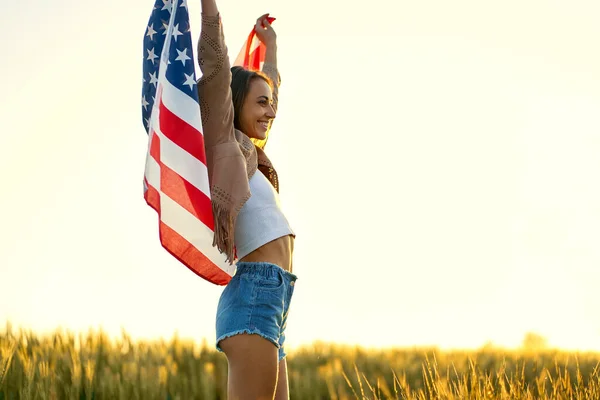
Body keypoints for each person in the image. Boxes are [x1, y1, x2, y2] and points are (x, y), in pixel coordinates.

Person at [196, 0, 296, 398]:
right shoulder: (223, 144)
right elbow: (218, 70)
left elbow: (270, 91)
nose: (270, 111)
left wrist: (269, 47)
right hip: (255, 295)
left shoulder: (252, 154)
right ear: (234, 105)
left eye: (270, 103)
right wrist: (209, 10)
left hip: (275, 298)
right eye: (260, 103)